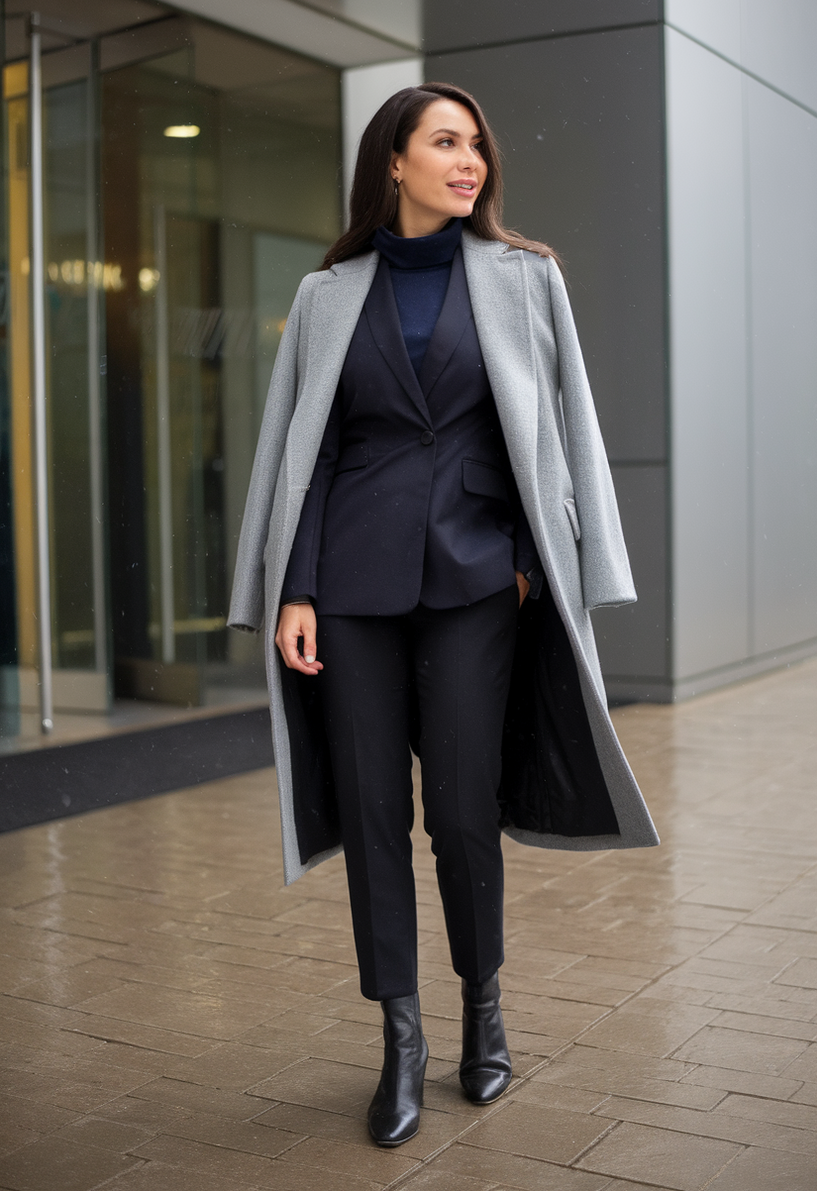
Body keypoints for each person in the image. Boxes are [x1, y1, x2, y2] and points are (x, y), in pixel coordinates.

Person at [229, 82, 658, 1148]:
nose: (469, 162)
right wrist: (294, 588)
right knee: (374, 815)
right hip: (352, 592)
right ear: (394, 163)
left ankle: (482, 1011)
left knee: (461, 813)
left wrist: (530, 558)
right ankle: (402, 1043)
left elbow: (558, 426)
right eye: (445, 143)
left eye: (475, 146)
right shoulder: (330, 293)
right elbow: (308, 448)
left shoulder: (525, 277)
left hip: (477, 586)